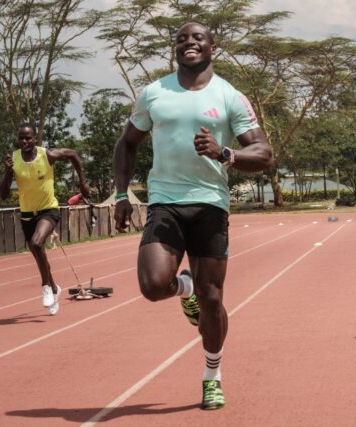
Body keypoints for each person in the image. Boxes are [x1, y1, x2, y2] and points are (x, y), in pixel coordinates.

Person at [112, 22, 272, 410]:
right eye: (181, 38)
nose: (189, 43)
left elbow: (264, 154)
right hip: (165, 201)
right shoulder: (154, 93)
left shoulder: (230, 96)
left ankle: (212, 374)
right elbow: (127, 143)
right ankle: (183, 289)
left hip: (210, 204)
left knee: (213, 298)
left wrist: (224, 153)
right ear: (174, 49)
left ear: (212, 47)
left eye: (198, 38)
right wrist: (120, 193)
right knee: (153, 285)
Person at [0, 122, 90, 315]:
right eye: (21, 138)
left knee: (38, 243)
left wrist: (83, 183)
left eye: (28, 137)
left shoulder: (46, 155)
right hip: (27, 215)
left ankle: (46, 286)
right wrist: (7, 173)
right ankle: (55, 288)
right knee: (41, 256)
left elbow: (72, 154)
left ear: (35, 139)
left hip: (49, 210)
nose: (24, 141)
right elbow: (4, 194)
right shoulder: (13, 160)